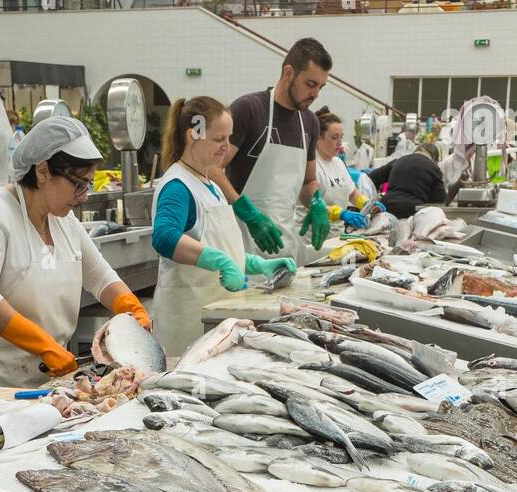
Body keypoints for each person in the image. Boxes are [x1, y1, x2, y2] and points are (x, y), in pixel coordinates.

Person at [0, 115, 150, 396]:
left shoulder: (64, 221)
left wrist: (132, 309)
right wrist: (45, 346)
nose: (84, 196)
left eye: (88, 185)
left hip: (44, 383)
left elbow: (100, 277)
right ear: (43, 171)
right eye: (78, 184)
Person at [151, 96, 294, 358]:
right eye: (219, 139)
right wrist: (219, 262)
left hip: (215, 319)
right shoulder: (177, 185)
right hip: (187, 325)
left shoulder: (212, 185)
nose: (226, 148)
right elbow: (164, 237)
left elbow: (217, 244)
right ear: (193, 134)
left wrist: (256, 264)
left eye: (229, 138)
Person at [211, 36, 334, 264]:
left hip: (285, 244)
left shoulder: (309, 123)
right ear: (289, 73)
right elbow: (211, 168)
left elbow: (308, 182)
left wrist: (316, 202)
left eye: (321, 87)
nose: (316, 94)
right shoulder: (248, 109)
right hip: (241, 242)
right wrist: (247, 212)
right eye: (310, 84)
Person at [314, 107, 369, 230]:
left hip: (336, 234)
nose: (340, 143)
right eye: (334, 138)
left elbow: (352, 193)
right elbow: (312, 203)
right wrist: (341, 213)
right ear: (318, 138)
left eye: (341, 137)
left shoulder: (338, 163)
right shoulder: (311, 165)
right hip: (313, 236)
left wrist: (366, 204)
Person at [375, 141, 446, 219]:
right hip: (412, 211)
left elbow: (372, 178)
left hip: (386, 207)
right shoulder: (433, 167)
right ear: (435, 160)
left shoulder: (398, 161)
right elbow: (439, 199)